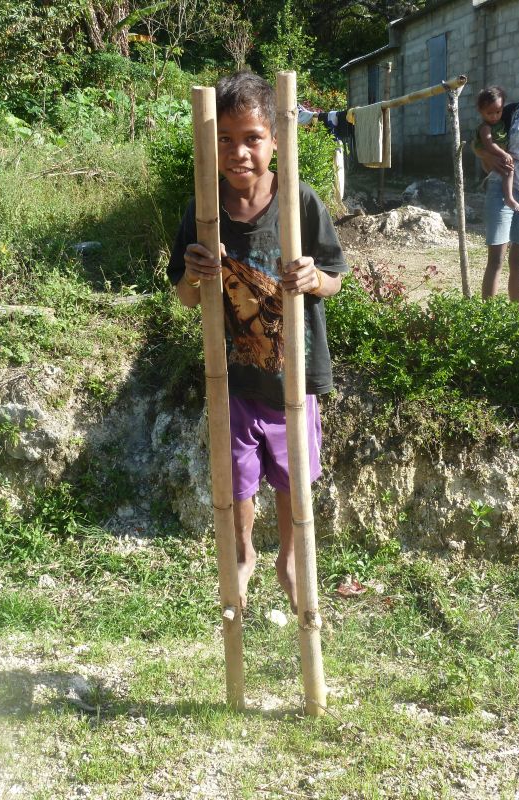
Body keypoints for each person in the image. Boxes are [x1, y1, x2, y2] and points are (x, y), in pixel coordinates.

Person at [167, 71, 347, 613]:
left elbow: (334, 279)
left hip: (293, 376)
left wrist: (314, 278)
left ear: (274, 140)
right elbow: (185, 298)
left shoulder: (300, 202)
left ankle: (289, 558)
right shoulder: (203, 209)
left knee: (294, 476)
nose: (238, 151)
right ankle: (244, 552)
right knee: (238, 479)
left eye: (252, 138)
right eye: (224, 139)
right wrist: (195, 275)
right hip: (233, 380)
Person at [478, 65, 519, 303]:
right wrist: (486, 156)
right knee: (496, 258)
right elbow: (480, 138)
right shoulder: (513, 111)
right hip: (500, 189)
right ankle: (489, 317)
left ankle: (516, 318)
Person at [474, 86, 519, 212]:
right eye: (489, 113)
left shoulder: (500, 123)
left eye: (498, 112)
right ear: (480, 111)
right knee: (508, 171)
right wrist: (503, 154)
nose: (494, 116)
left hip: (500, 155)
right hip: (494, 156)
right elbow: (489, 145)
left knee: (508, 171)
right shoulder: (485, 128)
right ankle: (508, 198)